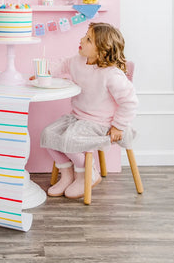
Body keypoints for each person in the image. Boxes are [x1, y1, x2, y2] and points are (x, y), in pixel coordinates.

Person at [40, 22, 138, 199]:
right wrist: (46, 72)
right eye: (85, 36)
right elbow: (63, 64)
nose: (82, 40)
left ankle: (86, 174)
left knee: (69, 140)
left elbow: (130, 102)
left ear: (101, 50)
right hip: (77, 117)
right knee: (48, 134)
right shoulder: (78, 60)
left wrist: (118, 126)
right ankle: (68, 175)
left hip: (101, 122)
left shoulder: (112, 74)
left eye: (88, 39)